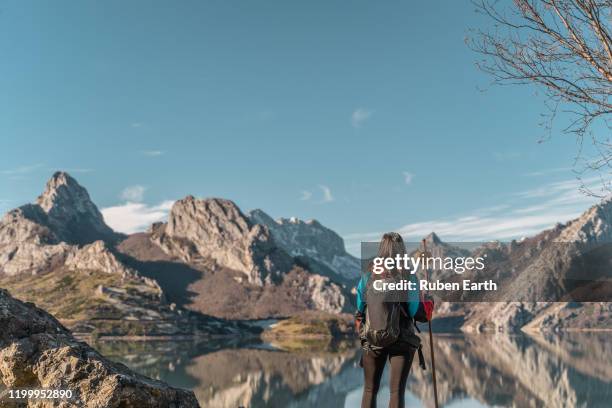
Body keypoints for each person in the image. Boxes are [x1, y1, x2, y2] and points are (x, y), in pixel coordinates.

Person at [355, 232, 432, 408]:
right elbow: (413, 311)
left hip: (373, 338)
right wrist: (425, 300)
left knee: (369, 390)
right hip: (402, 338)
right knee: (397, 391)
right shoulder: (409, 277)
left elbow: (360, 307)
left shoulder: (368, 276)